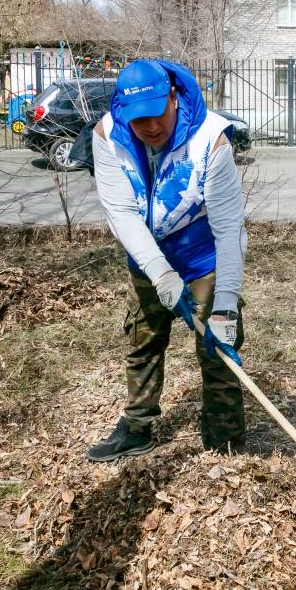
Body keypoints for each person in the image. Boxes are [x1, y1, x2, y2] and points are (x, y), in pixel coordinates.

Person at [87, 59, 248, 461]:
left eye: (157, 114)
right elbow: (121, 212)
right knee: (142, 341)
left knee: (218, 350)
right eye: (139, 120)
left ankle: (225, 444)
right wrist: (159, 272)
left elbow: (229, 228)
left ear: (173, 98)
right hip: (146, 254)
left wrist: (225, 303)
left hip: (203, 256)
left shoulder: (212, 140)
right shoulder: (108, 135)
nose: (151, 128)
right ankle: (137, 427)